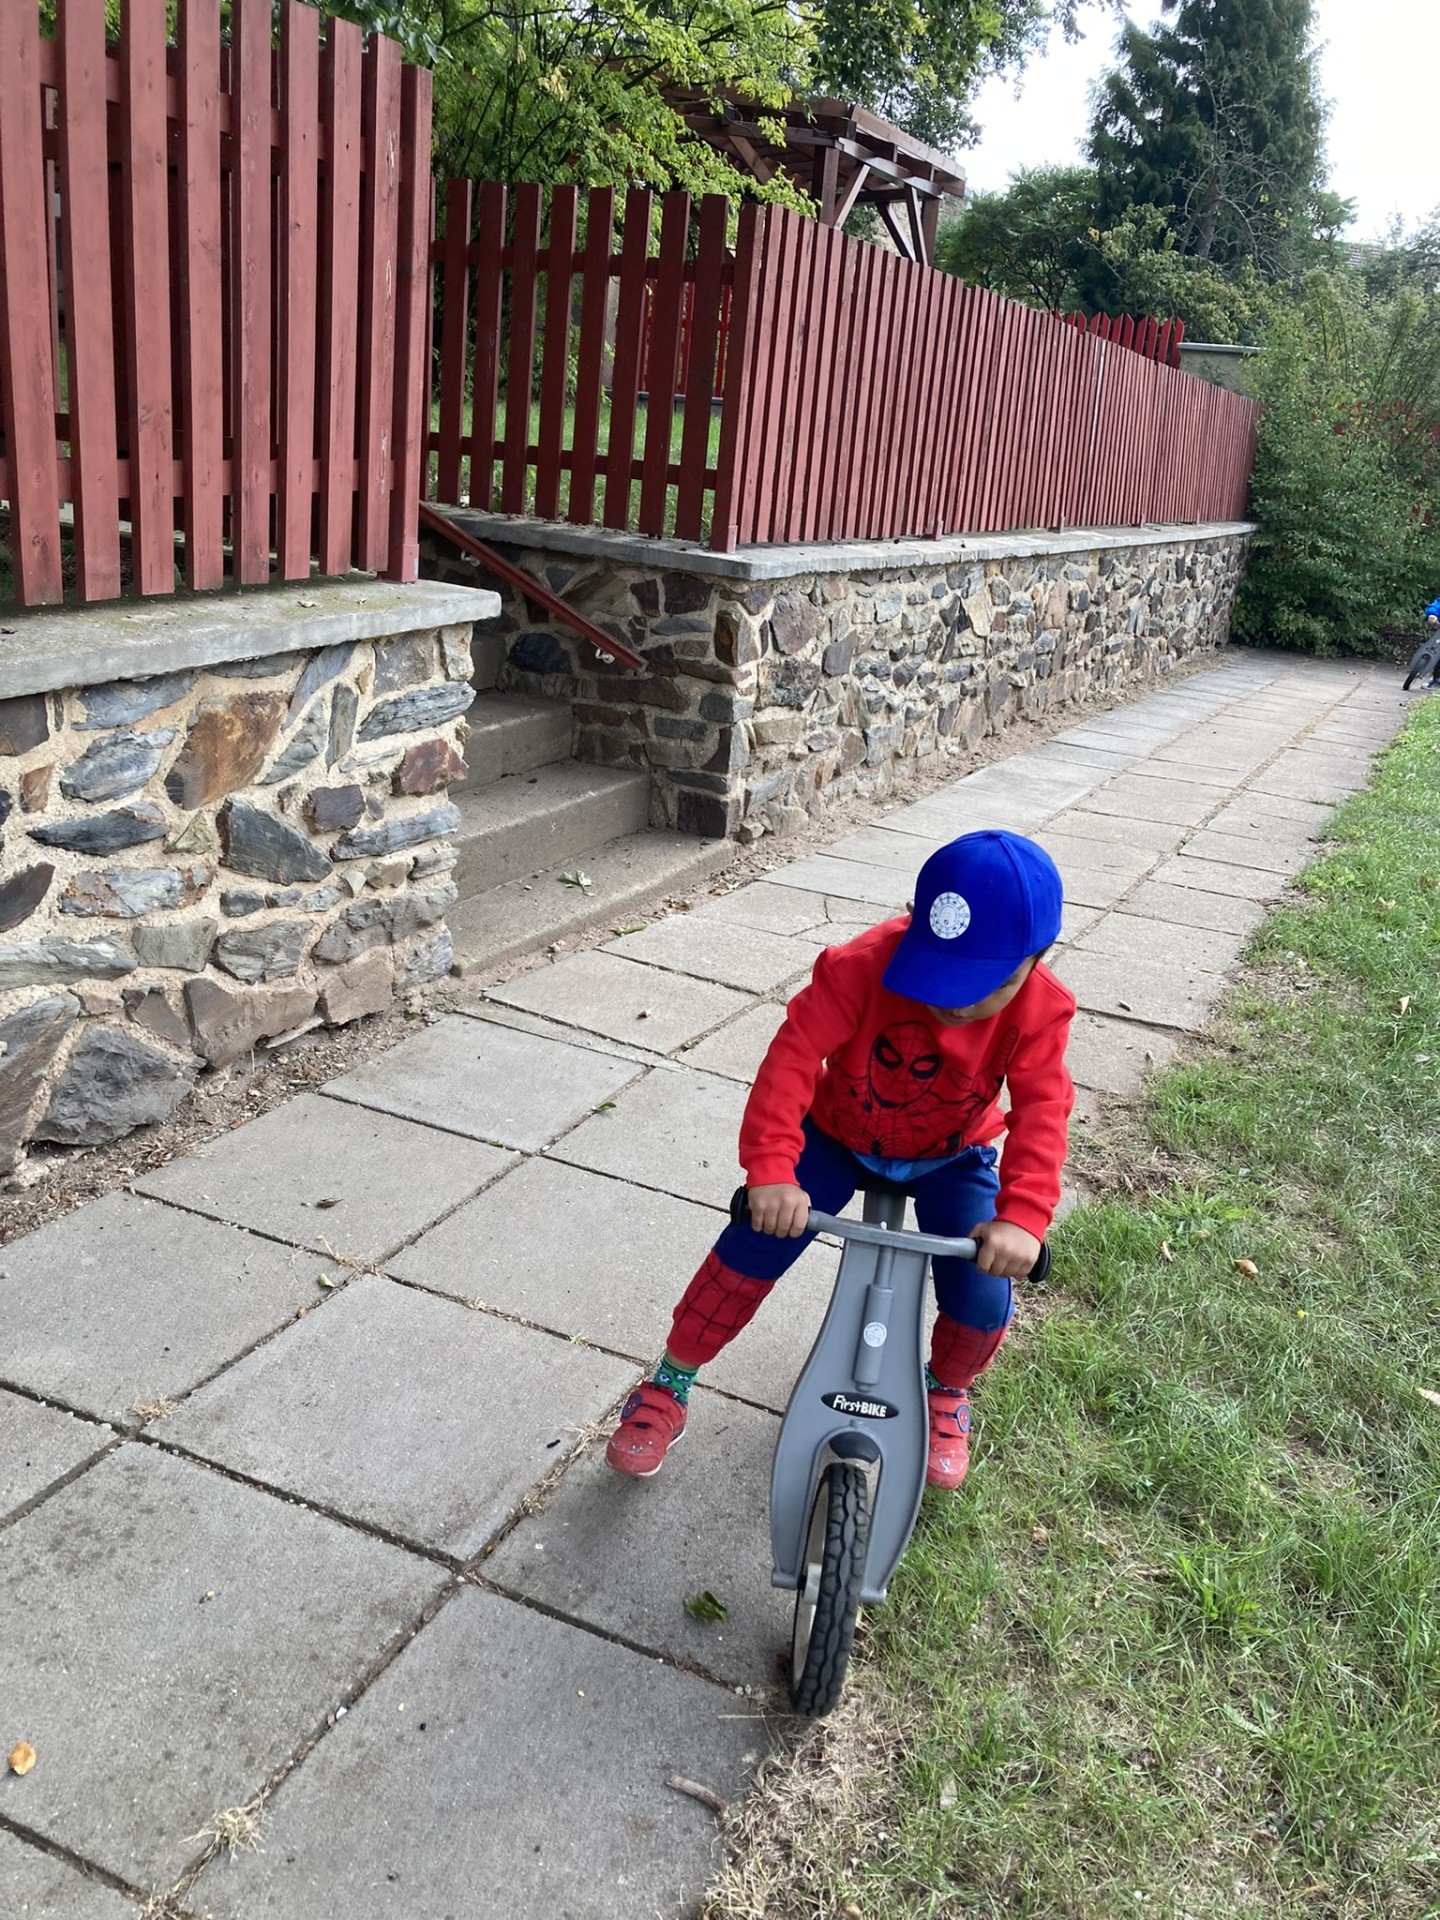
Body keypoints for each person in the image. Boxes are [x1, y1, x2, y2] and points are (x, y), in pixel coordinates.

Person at [605, 830, 1077, 1492]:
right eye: (940, 975)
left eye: (983, 986)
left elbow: (1043, 1109)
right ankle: (670, 1380)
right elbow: (793, 1057)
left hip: (951, 1152)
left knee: (982, 1284)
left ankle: (946, 1389)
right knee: (750, 1244)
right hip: (838, 1135)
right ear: (915, 924)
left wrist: (1023, 1217)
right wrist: (772, 1169)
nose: (956, 1003)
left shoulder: (1041, 1008)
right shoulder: (860, 967)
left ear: (1036, 960)